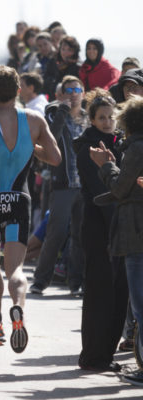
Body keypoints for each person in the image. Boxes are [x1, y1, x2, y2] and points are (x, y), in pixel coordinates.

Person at [0, 65, 61, 352]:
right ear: (19, 90)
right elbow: (56, 158)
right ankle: (17, 309)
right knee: (16, 269)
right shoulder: (33, 119)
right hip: (19, 200)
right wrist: (31, 147)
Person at [73, 89, 128, 372]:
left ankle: (106, 355)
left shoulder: (121, 143)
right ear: (92, 120)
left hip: (120, 228)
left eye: (111, 116)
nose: (108, 122)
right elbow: (100, 194)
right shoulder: (88, 148)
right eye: (101, 118)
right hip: (99, 228)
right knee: (99, 293)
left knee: (119, 293)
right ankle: (93, 356)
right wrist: (112, 235)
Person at [89, 95, 143, 386]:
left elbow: (122, 190)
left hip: (136, 235)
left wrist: (105, 166)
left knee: (140, 306)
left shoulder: (136, 148)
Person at [30, 75, 88, 296]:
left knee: (80, 235)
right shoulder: (54, 114)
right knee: (56, 233)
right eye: (68, 90)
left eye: (77, 89)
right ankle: (40, 281)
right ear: (62, 94)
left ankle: (76, 283)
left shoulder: (87, 119)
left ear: (83, 92)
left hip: (84, 186)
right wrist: (62, 111)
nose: (73, 94)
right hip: (63, 184)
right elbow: (49, 141)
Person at [43, 36, 81, 101]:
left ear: (75, 51)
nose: (65, 53)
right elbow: (45, 81)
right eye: (63, 49)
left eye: (69, 50)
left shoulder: (78, 67)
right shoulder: (53, 62)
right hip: (53, 100)